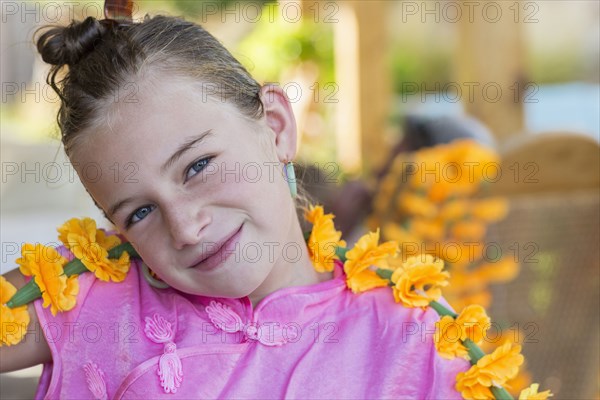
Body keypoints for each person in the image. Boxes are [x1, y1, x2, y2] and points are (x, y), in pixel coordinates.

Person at [0, 14, 469, 398]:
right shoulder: (84, 301)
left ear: (277, 127)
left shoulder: (412, 332)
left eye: (197, 166)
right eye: (139, 213)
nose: (185, 228)